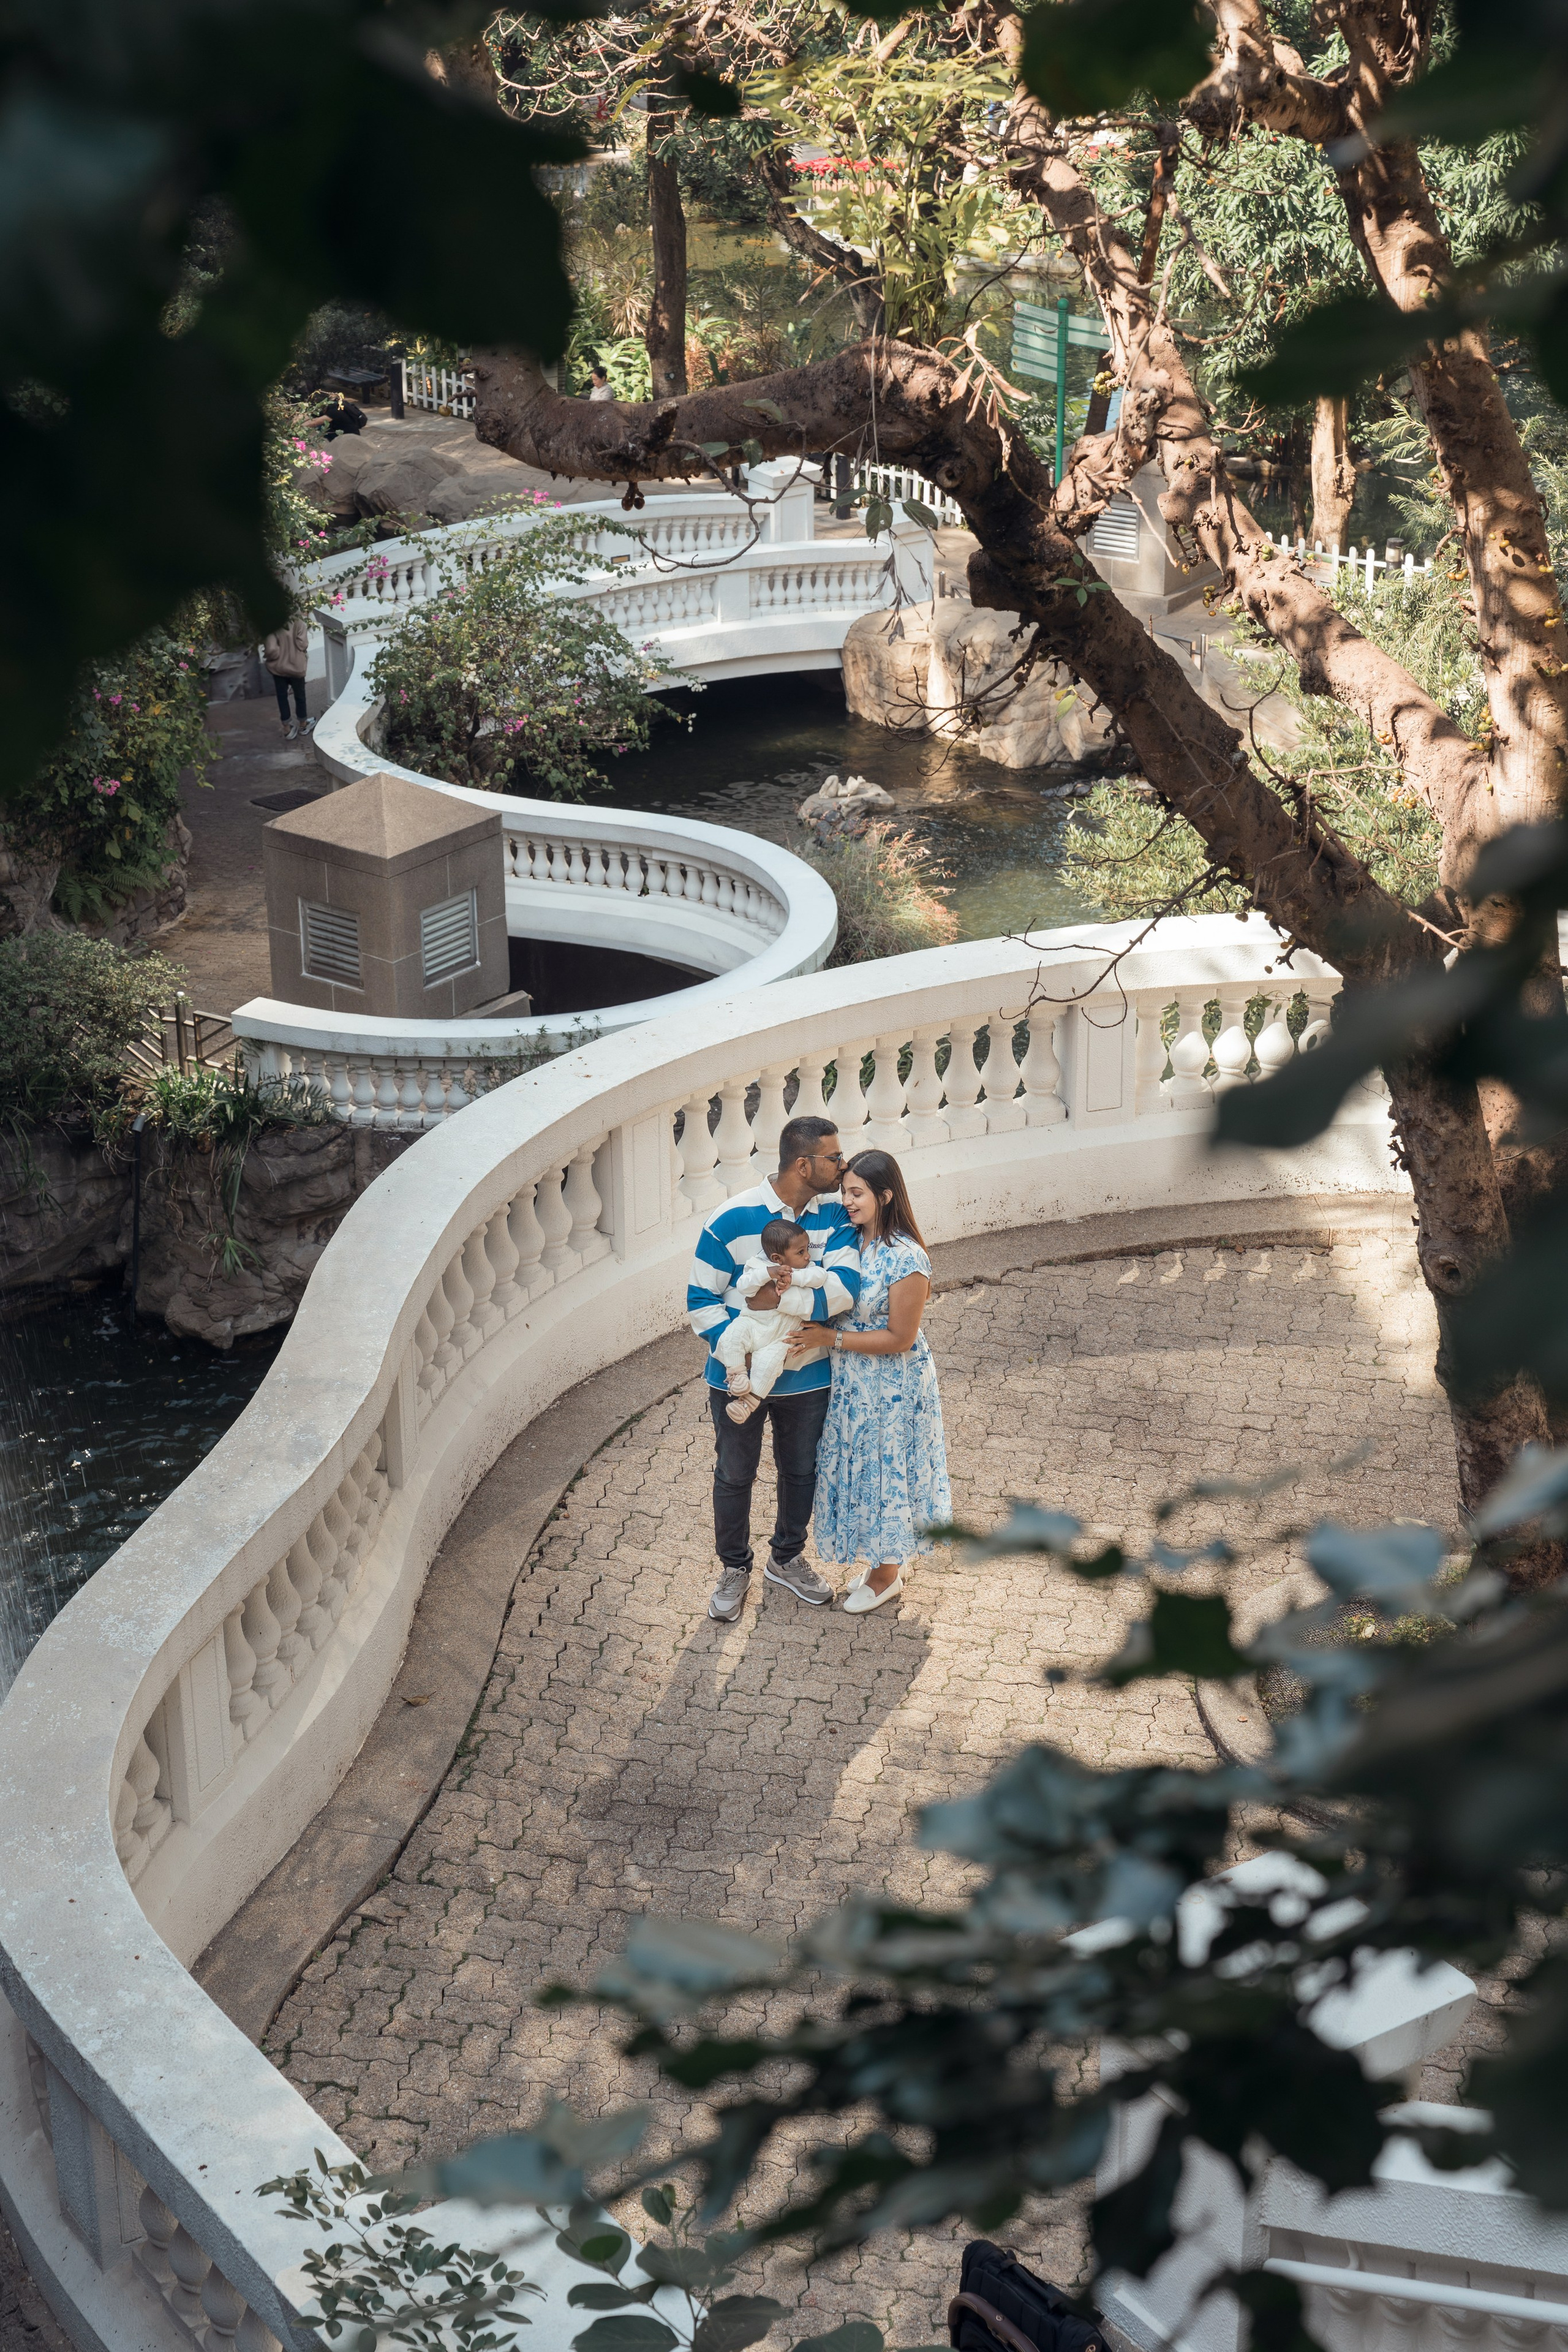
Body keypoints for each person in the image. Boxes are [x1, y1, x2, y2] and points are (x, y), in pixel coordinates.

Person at [687, 1115, 861, 1623]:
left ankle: (785, 1559)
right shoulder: (730, 1217)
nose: (842, 1165)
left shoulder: (837, 1217)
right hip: (735, 1379)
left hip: (808, 1379)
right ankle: (734, 1569)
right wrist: (744, 1347)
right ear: (804, 1165)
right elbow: (701, 1300)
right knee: (734, 1475)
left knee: (801, 1472)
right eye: (834, 1157)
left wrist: (776, 1308)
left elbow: (846, 1289)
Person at [809, 1147, 952, 1616]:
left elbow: (901, 1337)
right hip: (853, 1384)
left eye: (857, 1193)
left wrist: (834, 1338)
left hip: (893, 1386)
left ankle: (888, 1573)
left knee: (890, 1469)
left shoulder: (905, 1258)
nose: (847, 1201)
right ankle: (878, 1562)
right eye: (845, 1191)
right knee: (862, 1468)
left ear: (886, 1195)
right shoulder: (851, 1242)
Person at [713, 1219, 829, 1425]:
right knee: (732, 1336)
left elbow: (820, 1277)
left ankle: (748, 1402)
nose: (808, 1256)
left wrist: (794, 1279)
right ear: (777, 1258)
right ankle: (737, 1375)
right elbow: (744, 1286)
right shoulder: (758, 1265)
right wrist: (768, 1274)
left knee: (770, 1365)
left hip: (782, 1336)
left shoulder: (807, 1270)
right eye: (801, 1252)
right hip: (753, 1323)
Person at [262, 619, 311, 741]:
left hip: (278, 668)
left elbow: (271, 649)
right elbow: (303, 645)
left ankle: (287, 728)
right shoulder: (298, 622)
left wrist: (274, 657)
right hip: (296, 667)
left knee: (282, 696)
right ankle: (303, 725)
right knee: (300, 695)